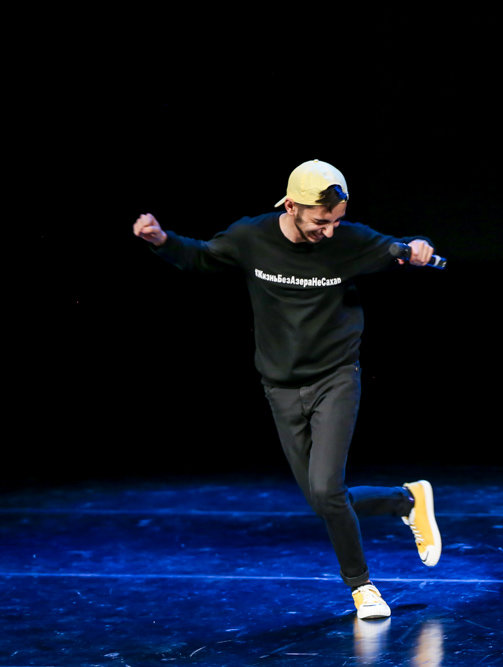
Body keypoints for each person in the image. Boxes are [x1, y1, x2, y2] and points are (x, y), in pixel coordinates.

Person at [133, 159, 443, 620]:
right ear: (292, 206)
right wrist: (161, 241)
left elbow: (400, 248)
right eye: (321, 221)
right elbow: (201, 256)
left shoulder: (350, 241)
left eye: (337, 221)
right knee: (322, 500)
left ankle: (362, 588)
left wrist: (417, 249)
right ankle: (407, 500)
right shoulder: (252, 237)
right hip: (279, 386)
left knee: (327, 489)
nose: (330, 231)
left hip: (335, 377)